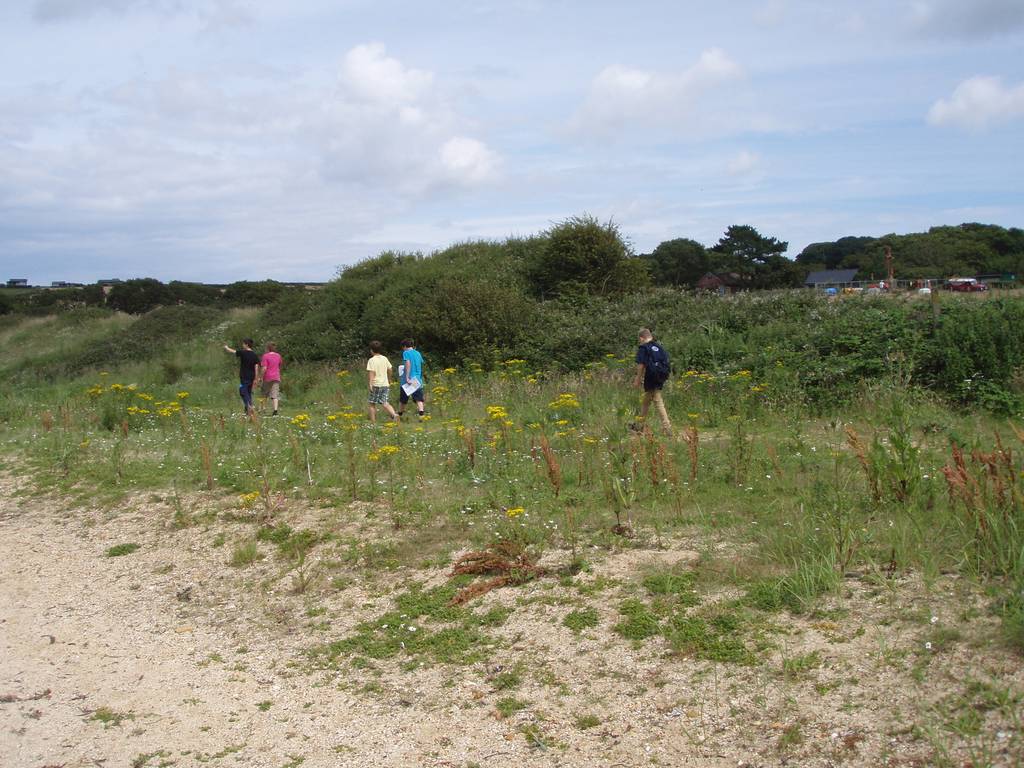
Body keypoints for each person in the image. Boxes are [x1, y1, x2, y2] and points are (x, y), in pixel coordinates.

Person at [633, 328, 673, 436]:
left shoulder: (644, 348)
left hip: (651, 376)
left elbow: (641, 365)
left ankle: (667, 427)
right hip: (661, 376)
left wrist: (637, 380)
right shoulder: (659, 347)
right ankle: (639, 425)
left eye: (639, 340)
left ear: (641, 338)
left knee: (657, 400)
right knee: (646, 401)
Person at [223, 338, 260, 418]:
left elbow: (233, 351)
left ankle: (250, 406)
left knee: (242, 391)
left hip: (244, 376)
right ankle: (247, 411)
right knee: (248, 392)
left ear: (246, 345)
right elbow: (256, 367)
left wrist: (226, 347)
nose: (242, 345)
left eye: (243, 344)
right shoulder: (254, 355)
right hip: (252, 376)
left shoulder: (243, 352)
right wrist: (256, 378)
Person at [366, 340, 399, 424]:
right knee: (385, 402)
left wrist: (370, 384)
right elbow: (390, 369)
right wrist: (389, 379)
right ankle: (394, 415)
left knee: (372, 404)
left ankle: (373, 423)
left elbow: (372, 373)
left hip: (376, 385)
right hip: (385, 384)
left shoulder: (371, 360)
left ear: (371, 350)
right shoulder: (384, 358)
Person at [398, 338, 426, 420]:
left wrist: (407, 377)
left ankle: (399, 415)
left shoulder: (406, 353)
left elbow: (408, 363)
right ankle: (421, 415)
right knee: (419, 398)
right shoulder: (418, 353)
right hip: (417, 379)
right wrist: (420, 377)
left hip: (408, 380)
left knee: (403, 399)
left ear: (405, 346)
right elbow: (421, 364)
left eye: (403, 347)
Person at [259, 342, 283, 416]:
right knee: (275, 394)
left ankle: (262, 409)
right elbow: (280, 365)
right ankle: (275, 410)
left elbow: (264, 368)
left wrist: (260, 376)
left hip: (268, 377)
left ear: (267, 348)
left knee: (264, 393)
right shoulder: (278, 356)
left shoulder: (265, 356)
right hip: (276, 377)